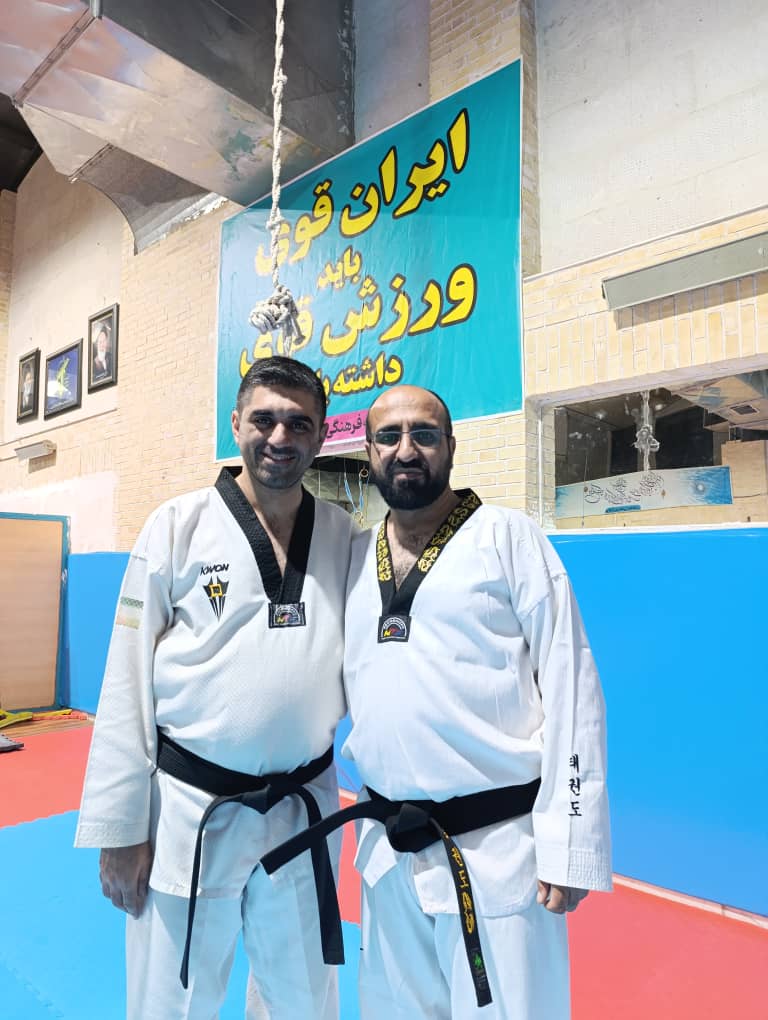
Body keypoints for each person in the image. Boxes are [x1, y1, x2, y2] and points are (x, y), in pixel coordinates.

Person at [261, 384, 611, 1019]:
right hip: (388, 852)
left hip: (497, 854)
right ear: (368, 451)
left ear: (449, 446)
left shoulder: (508, 537)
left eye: (423, 435)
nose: (406, 450)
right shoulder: (355, 555)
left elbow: (572, 683)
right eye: (388, 437)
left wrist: (572, 841)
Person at [75, 356, 355, 1020]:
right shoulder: (177, 526)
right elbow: (125, 680)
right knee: (172, 1000)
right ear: (235, 424)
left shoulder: (343, 534)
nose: (280, 437)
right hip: (190, 810)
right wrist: (121, 826)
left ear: (321, 436)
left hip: (303, 807)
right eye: (264, 420)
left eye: (298, 423)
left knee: (305, 999)